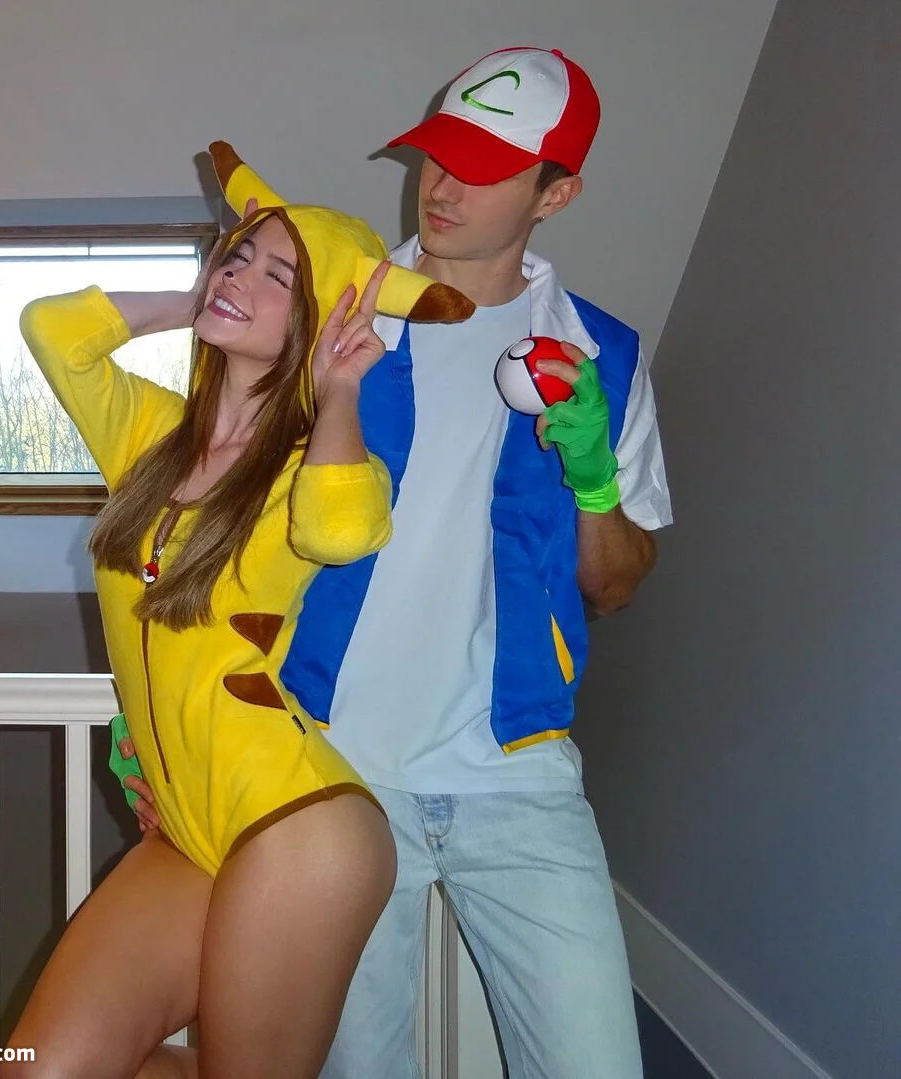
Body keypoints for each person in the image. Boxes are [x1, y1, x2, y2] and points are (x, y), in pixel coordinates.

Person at [119, 47, 672, 1079]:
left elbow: (616, 583)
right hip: (330, 775)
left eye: (487, 167)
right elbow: (200, 520)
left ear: (557, 193)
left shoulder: (604, 357)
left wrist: (594, 481)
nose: (444, 185)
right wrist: (156, 724)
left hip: (520, 776)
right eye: (438, 155)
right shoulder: (325, 314)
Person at [0, 142, 473, 1079]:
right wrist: (194, 302)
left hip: (298, 825)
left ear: (323, 319)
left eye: (278, 277)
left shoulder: (317, 466)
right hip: (185, 825)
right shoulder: (150, 433)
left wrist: (339, 389)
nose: (239, 277)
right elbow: (50, 328)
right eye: (237, 256)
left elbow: (341, 530)